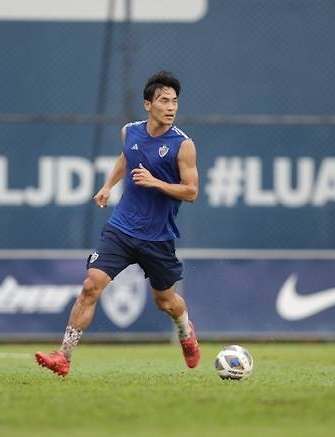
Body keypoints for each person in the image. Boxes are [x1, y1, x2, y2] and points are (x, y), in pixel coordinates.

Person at [36, 71, 200, 377]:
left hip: (157, 237)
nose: (171, 107)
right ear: (147, 104)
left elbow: (191, 192)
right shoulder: (130, 132)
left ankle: (185, 331)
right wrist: (108, 185)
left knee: (165, 301)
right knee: (90, 286)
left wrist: (156, 182)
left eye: (175, 101)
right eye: (164, 100)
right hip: (121, 228)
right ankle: (64, 356)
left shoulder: (183, 145)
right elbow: (127, 157)